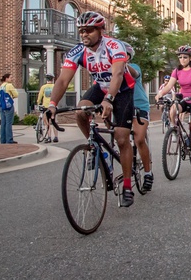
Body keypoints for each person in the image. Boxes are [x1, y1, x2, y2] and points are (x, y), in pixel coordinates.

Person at [48, 11, 137, 207]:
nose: (84, 34)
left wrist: (109, 100)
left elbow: (119, 74)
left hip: (122, 90)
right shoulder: (77, 51)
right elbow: (63, 80)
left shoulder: (114, 46)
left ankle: (128, 186)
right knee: (81, 110)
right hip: (100, 87)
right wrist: (52, 105)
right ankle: (97, 148)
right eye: (81, 31)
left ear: (100, 30)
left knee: (122, 138)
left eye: (88, 30)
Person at [155, 45, 191, 168]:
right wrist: (160, 94)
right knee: (172, 111)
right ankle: (175, 132)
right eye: (180, 57)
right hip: (184, 98)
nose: (182, 59)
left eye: (185, 57)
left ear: (190, 58)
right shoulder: (177, 71)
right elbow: (169, 86)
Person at [123, 43, 154, 192]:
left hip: (139, 106)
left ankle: (148, 173)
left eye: (123, 54)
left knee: (139, 139)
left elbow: (133, 75)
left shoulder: (134, 67)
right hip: (122, 107)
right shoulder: (109, 70)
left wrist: (121, 63)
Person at [37, 73, 59, 143]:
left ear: (46, 79)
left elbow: (40, 97)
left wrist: (38, 103)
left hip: (45, 107)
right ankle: (56, 137)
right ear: (53, 79)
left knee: (47, 123)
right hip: (53, 106)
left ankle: (49, 137)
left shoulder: (43, 87)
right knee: (55, 122)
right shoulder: (55, 86)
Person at [0, 73, 18, 144]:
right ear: (6, 78)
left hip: (1, 106)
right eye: (10, 77)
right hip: (8, 106)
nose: (11, 79)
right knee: (8, 123)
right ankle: (9, 140)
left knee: (3, 123)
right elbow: (16, 94)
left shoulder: (1, 85)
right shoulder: (9, 85)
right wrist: (12, 97)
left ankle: (2, 140)